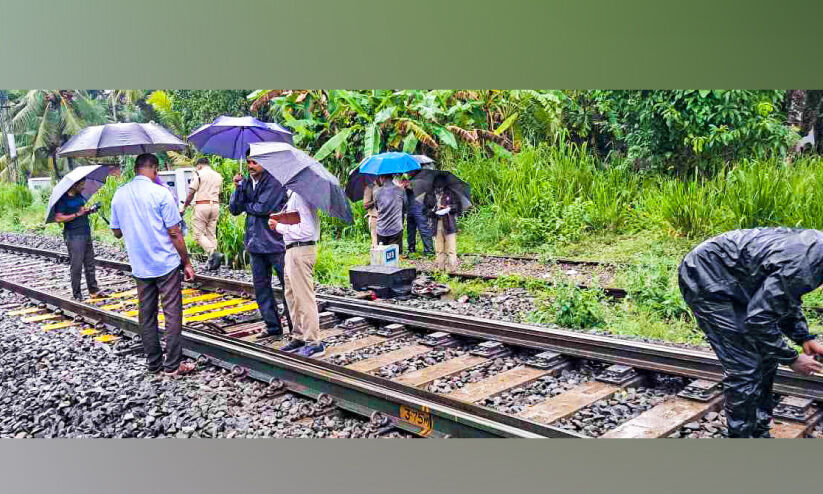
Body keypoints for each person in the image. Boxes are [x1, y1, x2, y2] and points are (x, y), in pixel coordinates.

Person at [678, 228, 823, 438]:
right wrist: (792, 358)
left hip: (736, 276)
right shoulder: (807, 265)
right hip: (706, 275)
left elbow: (782, 299)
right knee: (745, 365)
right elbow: (759, 318)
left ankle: (758, 429)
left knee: (766, 358)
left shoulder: (814, 258)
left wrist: (804, 338)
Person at [110, 153, 196, 378]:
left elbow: (117, 232)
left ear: (136, 168)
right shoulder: (161, 193)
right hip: (165, 264)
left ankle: (155, 364)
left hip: (140, 265)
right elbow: (175, 232)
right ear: (155, 169)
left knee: (146, 315)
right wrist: (186, 262)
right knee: (172, 313)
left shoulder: (119, 195)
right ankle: (173, 365)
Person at [229, 153, 289, 341]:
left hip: (275, 243)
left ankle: (296, 327)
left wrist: (248, 203)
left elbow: (263, 208)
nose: (250, 166)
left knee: (288, 287)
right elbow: (234, 209)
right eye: (248, 162)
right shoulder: (246, 183)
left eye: (255, 162)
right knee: (261, 288)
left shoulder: (275, 182)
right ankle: (273, 327)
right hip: (255, 243)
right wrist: (238, 188)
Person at [268, 190, 324, 357]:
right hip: (293, 250)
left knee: (304, 296)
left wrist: (279, 227)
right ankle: (299, 335)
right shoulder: (294, 195)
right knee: (292, 295)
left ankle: (314, 341)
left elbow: (307, 229)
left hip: (301, 248)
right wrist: (282, 217)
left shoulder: (300, 196)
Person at [53, 178, 104, 301]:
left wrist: (88, 211)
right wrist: (77, 214)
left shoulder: (79, 196)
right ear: (74, 185)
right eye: (81, 185)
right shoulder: (63, 200)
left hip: (85, 232)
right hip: (74, 235)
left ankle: (93, 290)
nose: (83, 187)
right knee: (76, 265)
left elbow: (80, 211)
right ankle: (77, 294)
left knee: (90, 263)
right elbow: (59, 218)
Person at [180, 157, 224, 271]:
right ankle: (212, 263)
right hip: (215, 205)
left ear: (199, 165)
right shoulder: (218, 176)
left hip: (202, 205)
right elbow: (219, 193)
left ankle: (213, 252)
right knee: (211, 234)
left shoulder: (199, 174)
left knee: (198, 234)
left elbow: (191, 193)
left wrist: (184, 207)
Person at [424, 176, 462, 272]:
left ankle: (452, 270)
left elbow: (458, 207)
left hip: (449, 223)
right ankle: (441, 269)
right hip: (436, 223)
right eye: (437, 186)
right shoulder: (429, 195)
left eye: (441, 186)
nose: (439, 188)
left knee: (451, 249)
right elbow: (425, 211)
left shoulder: (451, 193)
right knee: (439, 249)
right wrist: (434, 210)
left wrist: (448, 208)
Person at [402, 173, 434, 257]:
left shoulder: (422, 179)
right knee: (410, 230)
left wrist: (407, 185)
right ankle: (411, 249)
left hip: (420, 208)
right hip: (410, 208)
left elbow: (417, 188)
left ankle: (429, 251)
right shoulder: (409, 179)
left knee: (424, 229)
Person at [374, 174, 406, 251]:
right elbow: (405, 206)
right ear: (392, 177)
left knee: (382, 254)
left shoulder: (376, 192)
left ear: (382, 178)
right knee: (395, 255)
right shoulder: (400, 190)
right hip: (396, 228)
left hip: (381, 228)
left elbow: (377, 207)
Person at [363, 181, 380, 249]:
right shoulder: (370, 187)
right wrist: (375, 201)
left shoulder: (385, 186)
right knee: (375, 241)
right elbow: (366, 205)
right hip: (374, 217)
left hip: (385, 218)